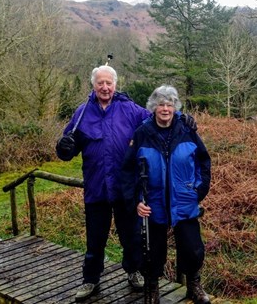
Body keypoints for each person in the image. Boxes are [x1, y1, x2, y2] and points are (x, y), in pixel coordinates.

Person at [55, 66, 196, 302]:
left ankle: (134, 272)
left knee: (131, 236)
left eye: (109, 83)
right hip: (96, 188)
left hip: (125, 188)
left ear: (115, 84)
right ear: (93, 85)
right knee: (95, 238)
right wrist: (63, 147)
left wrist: (182, 117)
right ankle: (91, 279)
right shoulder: (82, 113)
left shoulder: (129, 109)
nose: (105, 87)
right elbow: (68, 148)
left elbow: (157, 117)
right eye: (100, 83)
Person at [120, 85, 211, 304]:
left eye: (169, 104)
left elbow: (204, 162)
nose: (165, 109)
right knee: (152, 250)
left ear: (175, 107)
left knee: (192, 248)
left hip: (184, 202)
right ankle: (152, 287)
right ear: (153, 107)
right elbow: (128, 170)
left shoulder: (187, 130)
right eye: (161, 104)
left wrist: (197, 191)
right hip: (153, 204)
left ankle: (194, 285)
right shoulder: (143, 133)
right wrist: (135, 202)